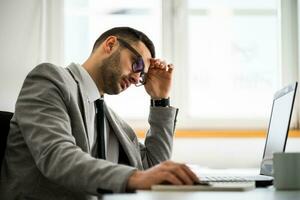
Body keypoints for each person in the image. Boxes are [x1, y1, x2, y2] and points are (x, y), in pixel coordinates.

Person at [0, 27, 198, 200]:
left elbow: (153, 170)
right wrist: (135, 178)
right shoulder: (50, 80)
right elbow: (57, 157)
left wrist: (160, 100)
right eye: (137, 64)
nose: (137, 76)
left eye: (143, 76)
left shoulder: (114, 123)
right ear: (111, 44)